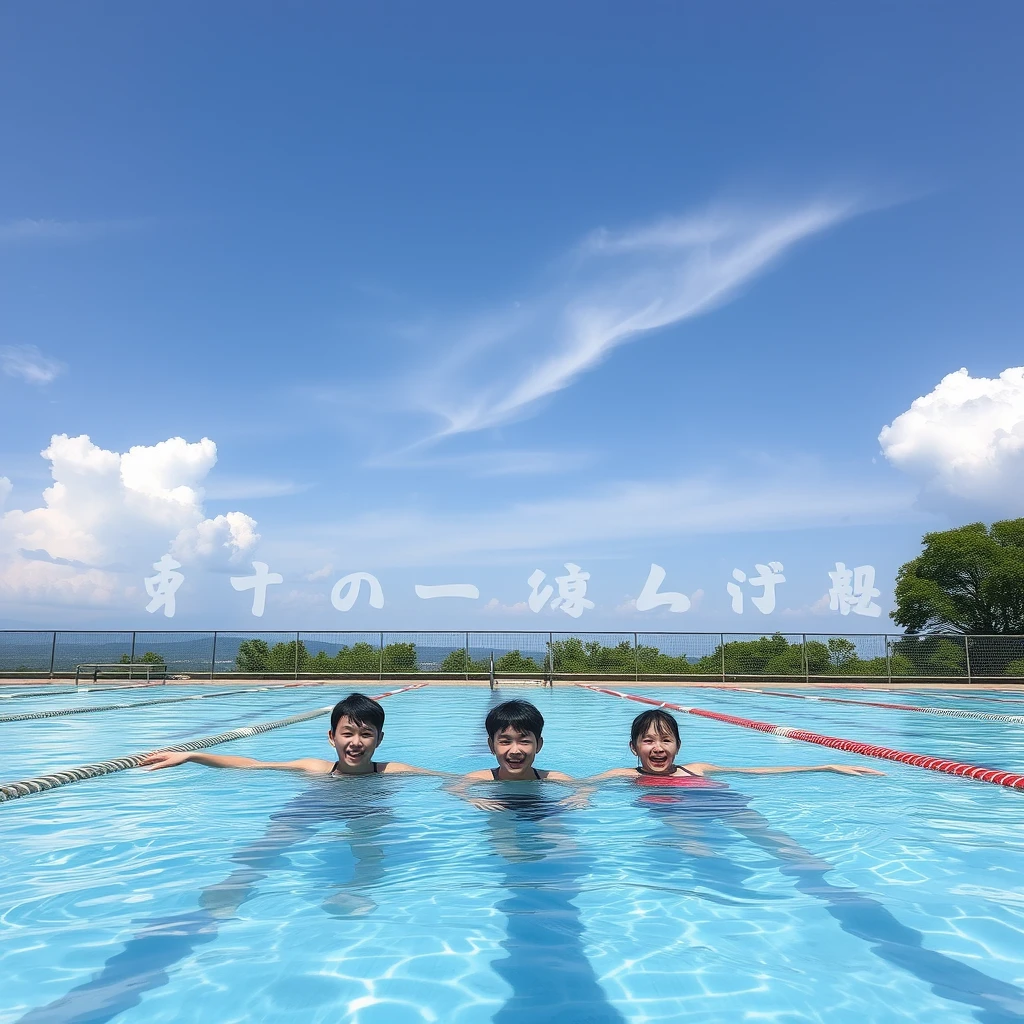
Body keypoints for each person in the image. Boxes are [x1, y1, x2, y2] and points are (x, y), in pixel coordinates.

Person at [140, 692, 432, 776]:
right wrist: (193, 755)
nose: (356, 742)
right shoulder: (314, 768)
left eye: (366, 734)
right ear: (332, 737)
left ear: (379, 740)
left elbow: (453, 781)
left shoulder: (394, 771)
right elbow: (253, 764)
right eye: (348, 733)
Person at [591, 708, 884, 784]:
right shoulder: (626, 776)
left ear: (678, 746)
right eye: (649, 740)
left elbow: (757, 772)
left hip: (724, 804)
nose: (658, 748)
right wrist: (583, 793)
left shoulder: (697, 770)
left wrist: (826, 766)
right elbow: (577, 785)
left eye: (666, 740)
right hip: (675, 813)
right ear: (634, 748)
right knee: (690, 838)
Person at [448, 698, 578, 811]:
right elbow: (453, 789)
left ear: (538, 745)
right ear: (491, 745)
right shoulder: (480, 778)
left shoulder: (553, 778)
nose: (515, 751)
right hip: (498, 809)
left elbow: (585, 788)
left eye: (524, 741)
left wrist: (580, 797)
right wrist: (472, 799)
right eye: (505, 742)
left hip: (542, 808)